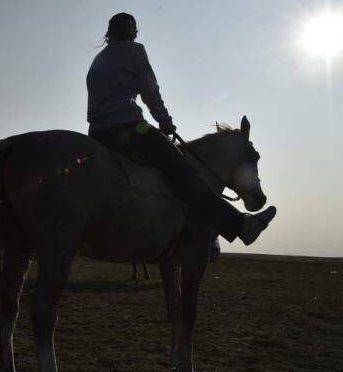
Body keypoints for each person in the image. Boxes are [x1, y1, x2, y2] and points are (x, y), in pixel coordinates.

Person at [86, 12, 275, 245]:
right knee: (182, 169)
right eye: (133, 28)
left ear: (109, 33)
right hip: (127, 127)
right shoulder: (134, 51)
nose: (135, 33)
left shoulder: (99, 60)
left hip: (97, 132)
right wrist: (164, 121)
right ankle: (240, 226)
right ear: (131, 32)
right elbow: (150, 90)